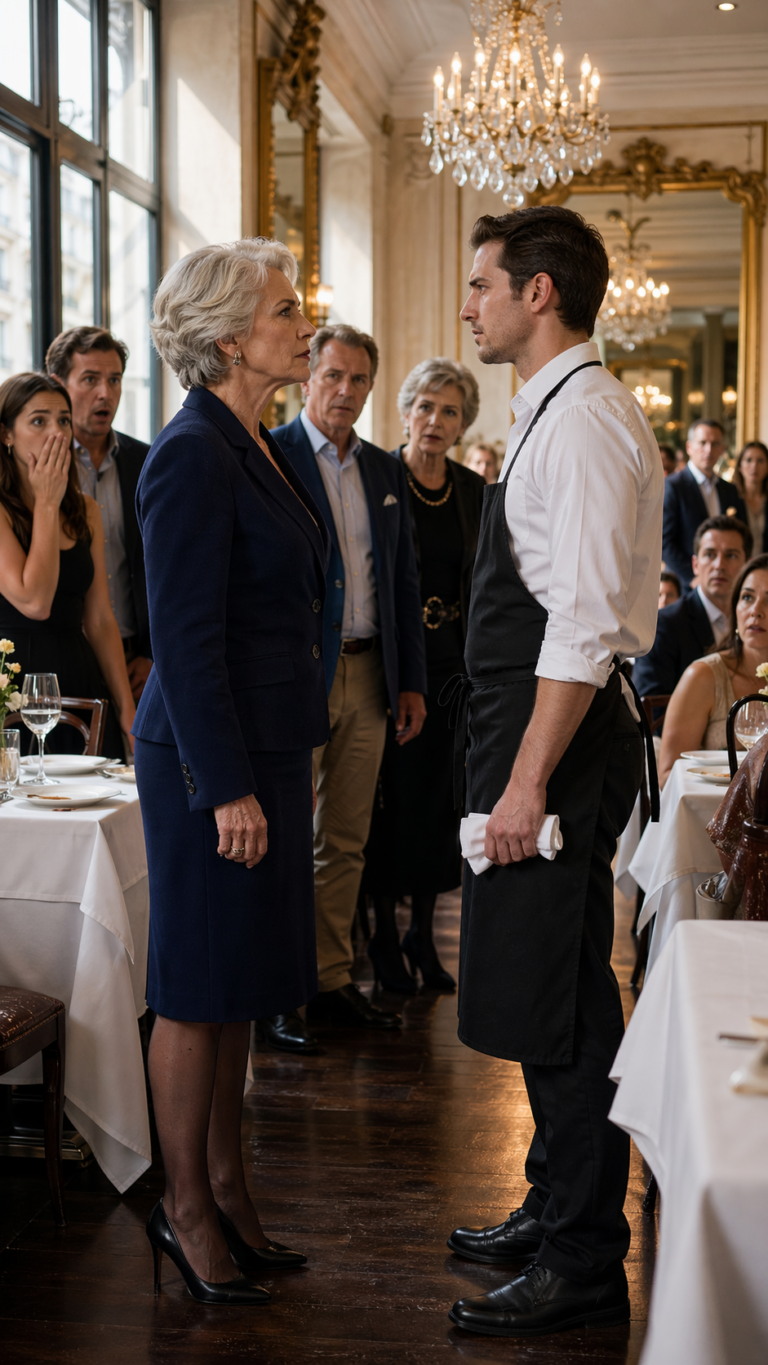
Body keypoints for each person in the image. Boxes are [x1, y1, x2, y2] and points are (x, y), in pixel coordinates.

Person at [446, 205, 663, 1339]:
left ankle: (583, 1255)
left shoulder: (580, 422)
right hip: (528, 730)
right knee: (546, 984)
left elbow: (579, 628)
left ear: (539, 294)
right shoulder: (553, 406)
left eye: (482, 285)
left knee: (564, 1000)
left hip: (556, 743)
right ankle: (553, 1200)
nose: (468, 306)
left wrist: (526, 785)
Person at [133, 237, 330, 1305]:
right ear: (226, 338)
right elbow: (184, 639)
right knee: (196, 992)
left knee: (240, 986)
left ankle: (228, 1186)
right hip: (210, 765)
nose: (304, 323)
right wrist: (227, 786)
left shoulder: (254, 439)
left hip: (264, 752)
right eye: (286, 309)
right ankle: (185, 1208)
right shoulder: (190, 453)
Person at [269, 324, 426, 1049]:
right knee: (285, 836)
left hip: (370, 675)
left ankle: (330, 979)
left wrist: (410, 681)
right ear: (307, 377)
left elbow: (403, 581)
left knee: (345, 840)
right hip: (299, 671)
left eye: (359, 379)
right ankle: (278, 989)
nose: (345, 391)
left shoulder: (384, 470)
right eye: (333, 375)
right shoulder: (272, 454)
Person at [361, 358, 484, 992]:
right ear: (406, 411)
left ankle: (422, 936)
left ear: (464, 425)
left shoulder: (473, 491)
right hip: (393, 664)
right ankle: (383, 935)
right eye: (426, 407)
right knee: (391, 804)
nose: (435, 420)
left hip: (453, 669)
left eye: (450, 411)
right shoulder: (379, 477)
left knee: (440, 804)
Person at [0, 373, 135, 757]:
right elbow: (35, 601)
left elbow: (101, 619)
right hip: (13, 683)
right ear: (6, 435)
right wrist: (46, 503)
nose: (56, 433)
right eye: (38, 421)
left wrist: (128, 710)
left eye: (63, 420)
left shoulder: (84, 509)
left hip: (78, 677)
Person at [46, 327, 152, 702]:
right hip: (61, 656)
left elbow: (167, 565)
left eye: (114, 380)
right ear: (58, 385)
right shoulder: (37, 467)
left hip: (134, 659)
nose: (105, 393)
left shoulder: (147, 461)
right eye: (90, 379)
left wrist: (152, 654)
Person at [659, 554, 768, 785]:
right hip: (712, 805)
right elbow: (667, 775)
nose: (755, 610)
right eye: (747, 597)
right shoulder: (702, 676)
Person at [633, 515, 751, 699]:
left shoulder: (756, 619)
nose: (719, 565)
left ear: (747, 565)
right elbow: (649, 706)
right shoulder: (664, 625)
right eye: (710, 554)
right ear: (695, 564)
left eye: (731, 555)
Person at [662, 418, 746, 588]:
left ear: (723, 449)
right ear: (689, 447)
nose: (708, 450)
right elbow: (664, 542)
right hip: (685, 585)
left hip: (723, 581)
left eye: (715, 444)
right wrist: (693, 578)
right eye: (702, 443)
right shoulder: (672, 486)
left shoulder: (730, 490)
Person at [732, 440, 768, 555]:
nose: (754, 466)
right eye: (748, 460)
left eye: (760, 461)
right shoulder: (730, 499)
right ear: (740, 466)